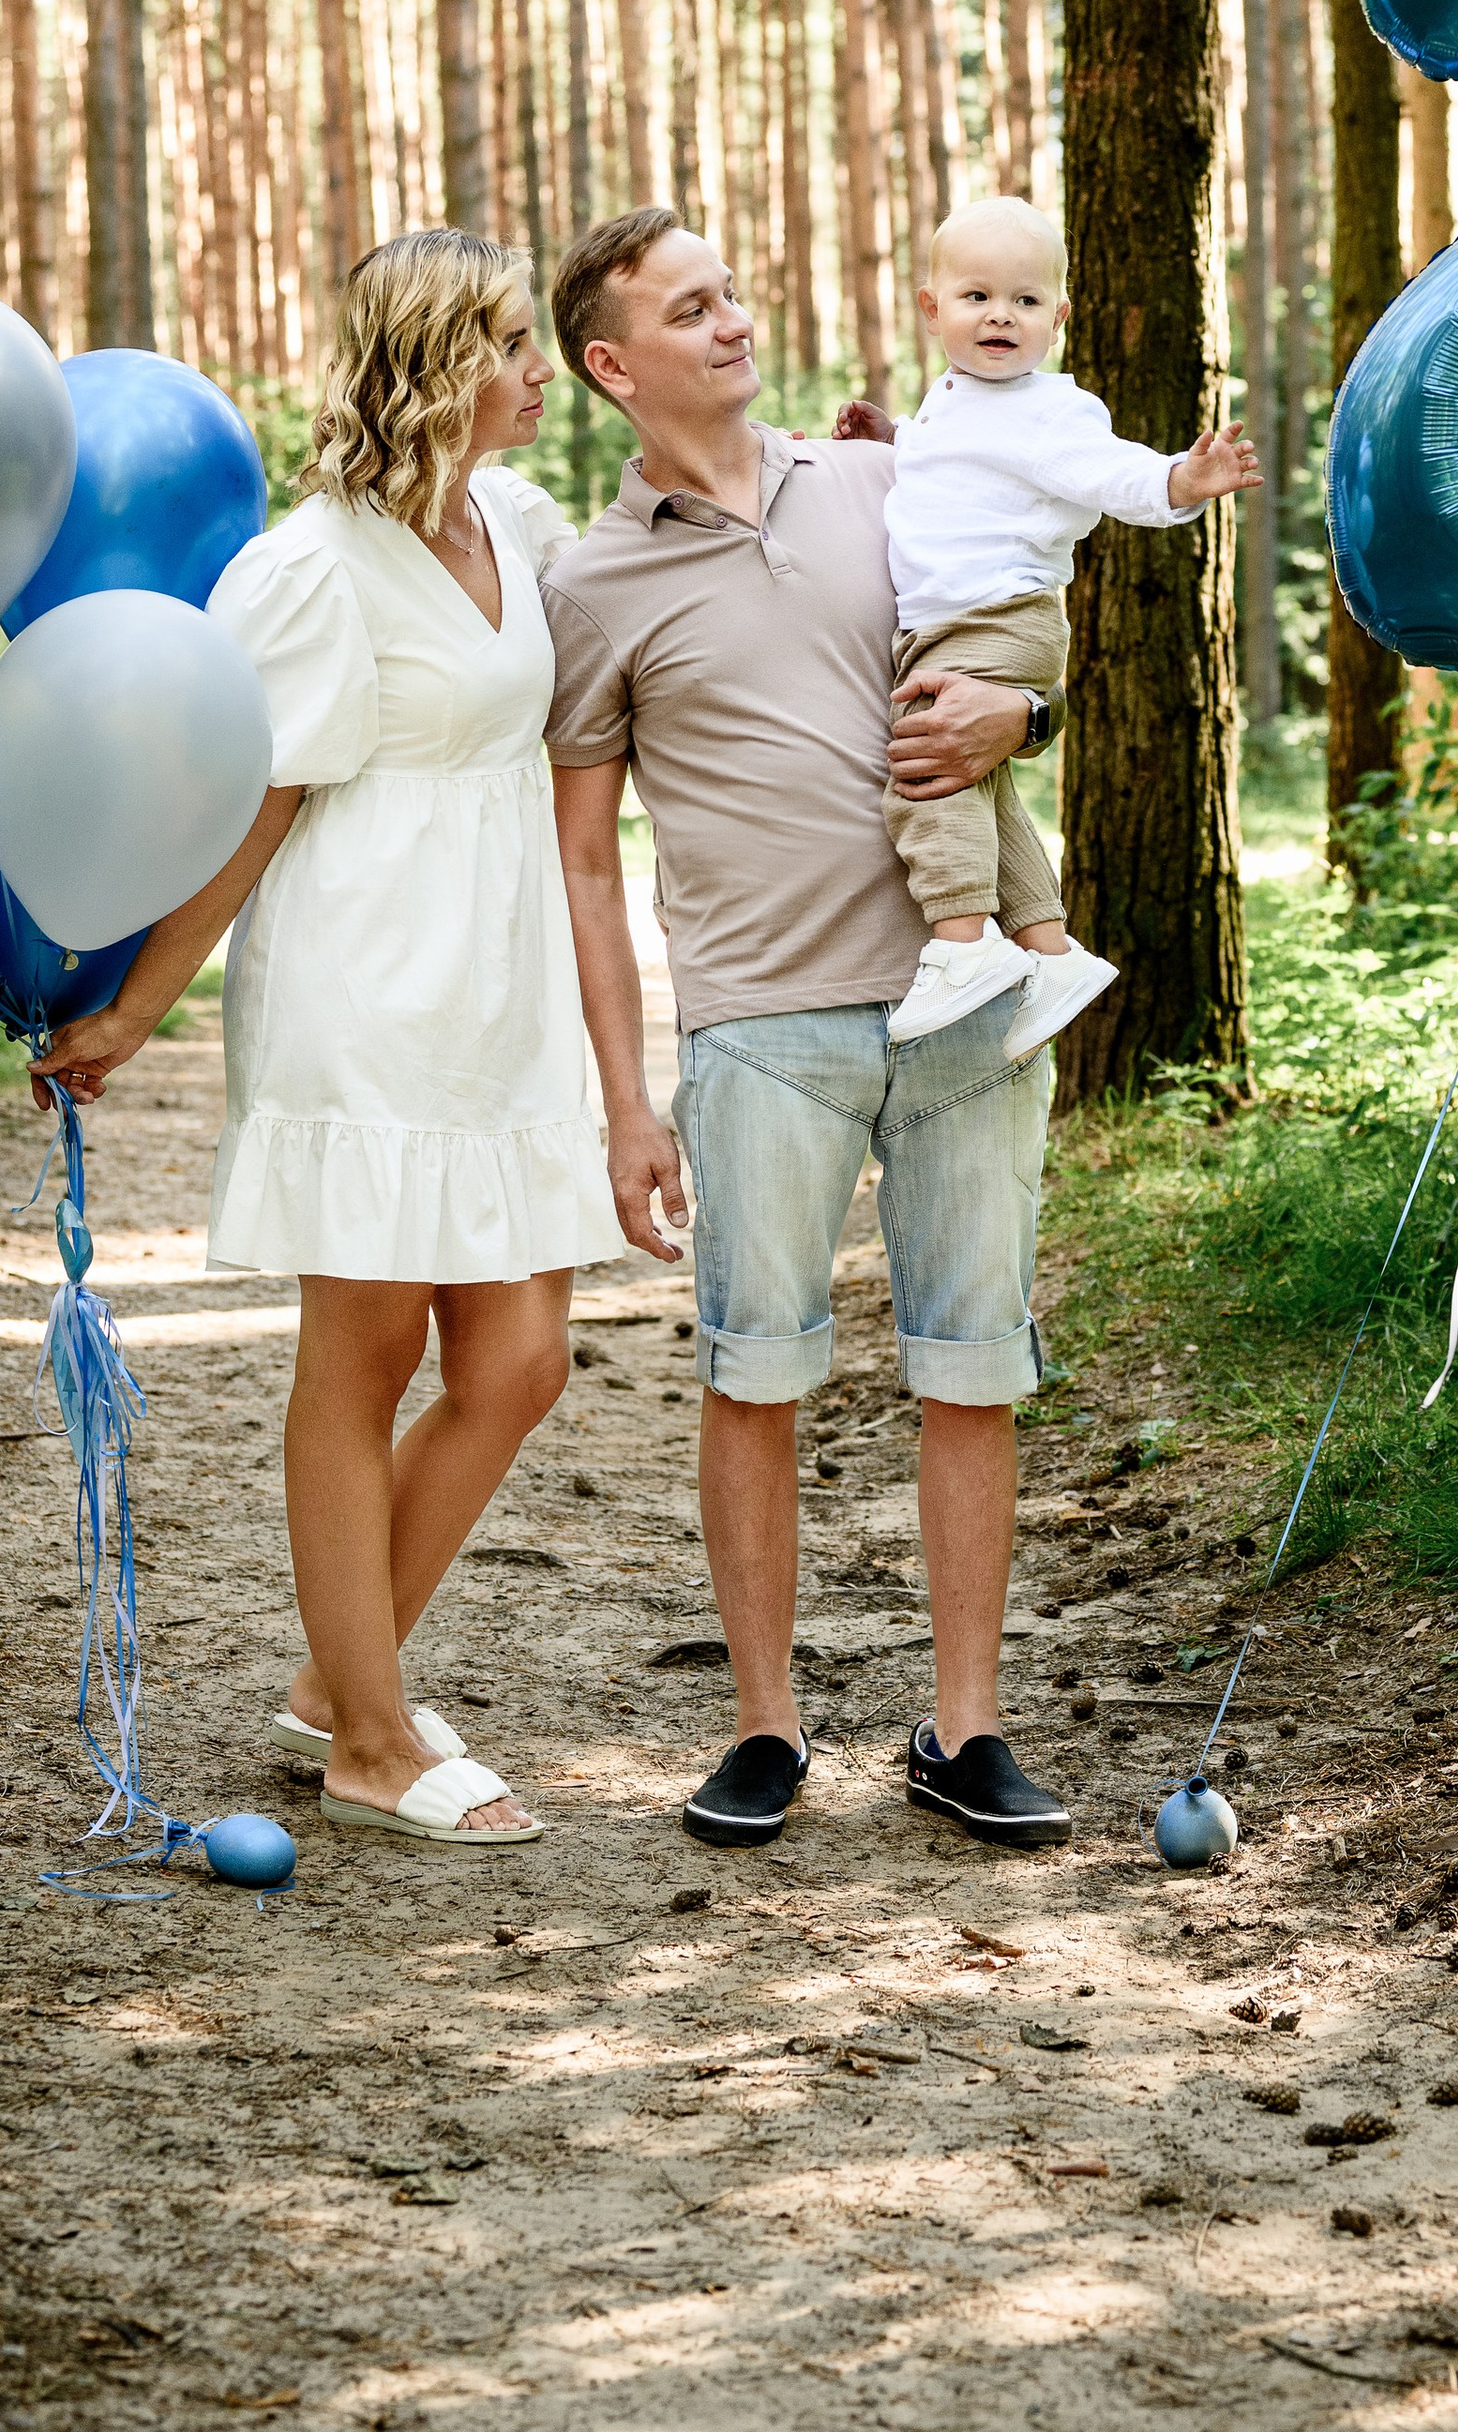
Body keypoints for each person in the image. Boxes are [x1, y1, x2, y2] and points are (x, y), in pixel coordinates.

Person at [31, 229, 622, 1849]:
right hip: (365, 999)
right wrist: (137, 1011)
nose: (531, 368)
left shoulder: (517, 516)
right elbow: (249, 807)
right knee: (358, 1365)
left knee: (519, 1363)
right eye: (504, 341)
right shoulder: (311, 567)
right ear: (430, 364)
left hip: (503, 1004)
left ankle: (328, 1682)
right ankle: (368, 1735)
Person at [541, 206, 1072, 1853]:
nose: (732, 319)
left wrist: (1026, 709)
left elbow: (1017, 626)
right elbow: (580, 853)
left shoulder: (884, 476)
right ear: (614, 364)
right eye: (689, 308)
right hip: (761, 1022)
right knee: (755, 1371)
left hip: (962, 996)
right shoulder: (591, 580)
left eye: (733, 288)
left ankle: (965, 1728)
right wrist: (627, 1101)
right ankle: (765, 1726)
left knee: (973, 1366)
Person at [875, 192, 1261, 1058]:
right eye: (976, 297)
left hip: (995, 616)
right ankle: (1050, 954)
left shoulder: (1052, 408)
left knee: (927, 774)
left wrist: (1177, 481)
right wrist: (891, 437)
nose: (1000, 316)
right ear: (933, 308)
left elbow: (1108, 472)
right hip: (959, 620)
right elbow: (960, 474)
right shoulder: (953, 399)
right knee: (980, 786)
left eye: (1025, 299)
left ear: (1059, 316)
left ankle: (964, 946)